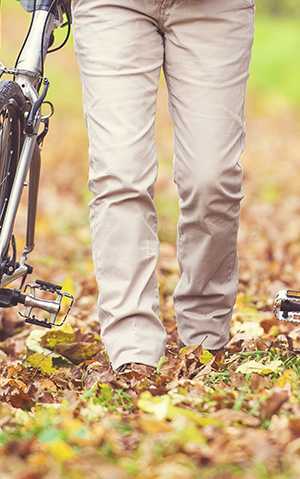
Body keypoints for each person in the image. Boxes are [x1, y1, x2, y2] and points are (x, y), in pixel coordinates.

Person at [70, 0, 255, 370]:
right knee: (119, 173)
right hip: (112, 6)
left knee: (212, 179)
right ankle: (132, 347)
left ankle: (205, 335)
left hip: (215, 9)